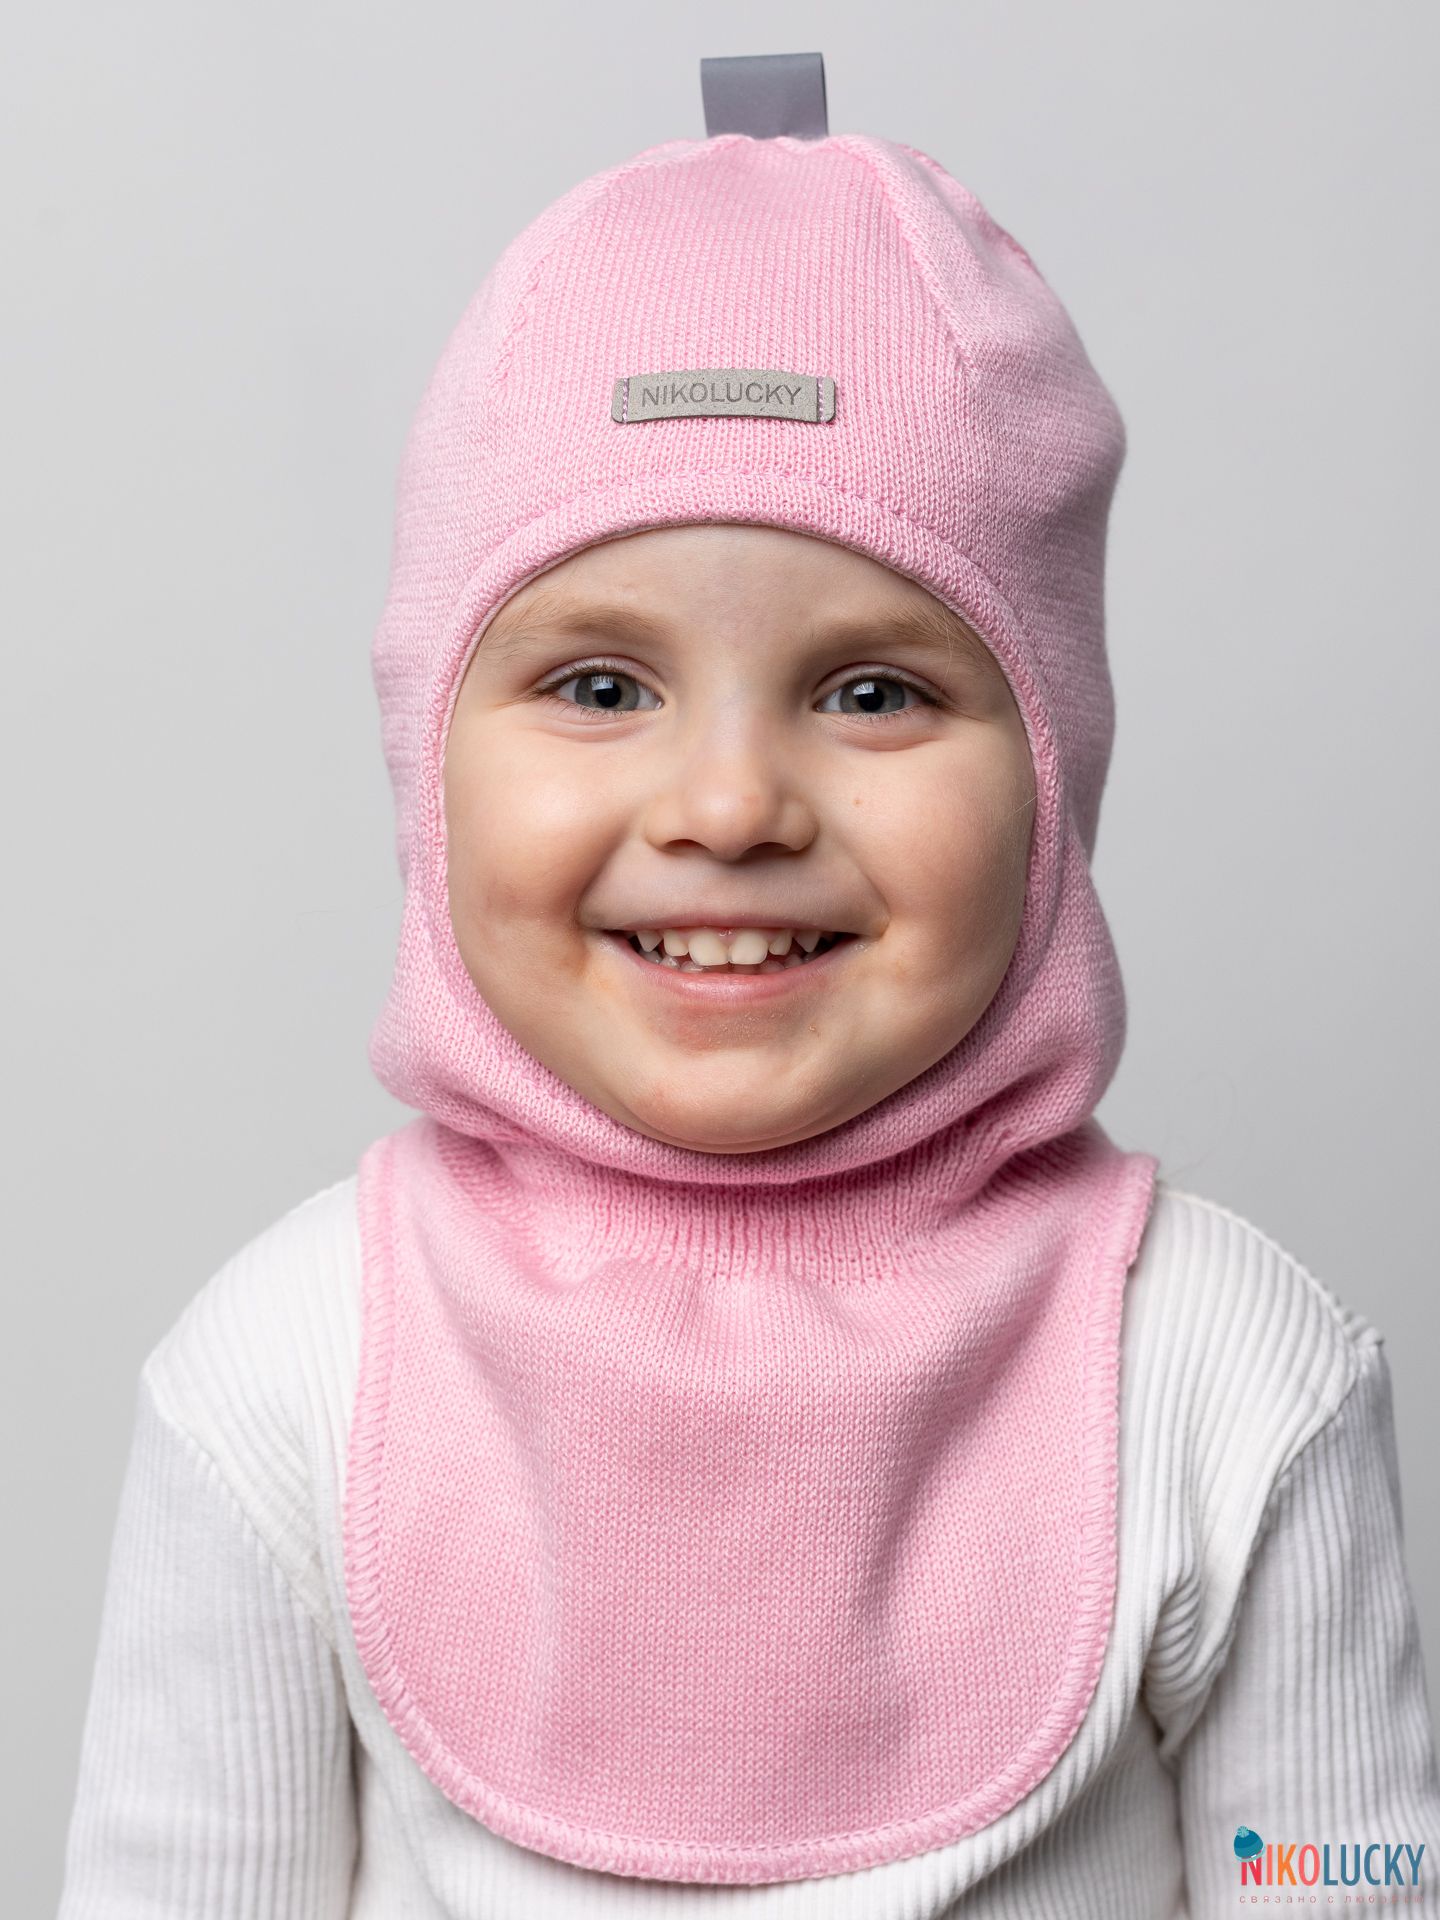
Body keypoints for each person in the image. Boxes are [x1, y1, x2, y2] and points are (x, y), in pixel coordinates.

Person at [57, 119, 1440, 1919]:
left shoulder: (1235, 1373)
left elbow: (1349, 1873)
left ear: (1054, 779)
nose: (727, 806)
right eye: (598, 683)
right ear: (426, 762)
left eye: (871, 692)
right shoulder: (287, 1377)